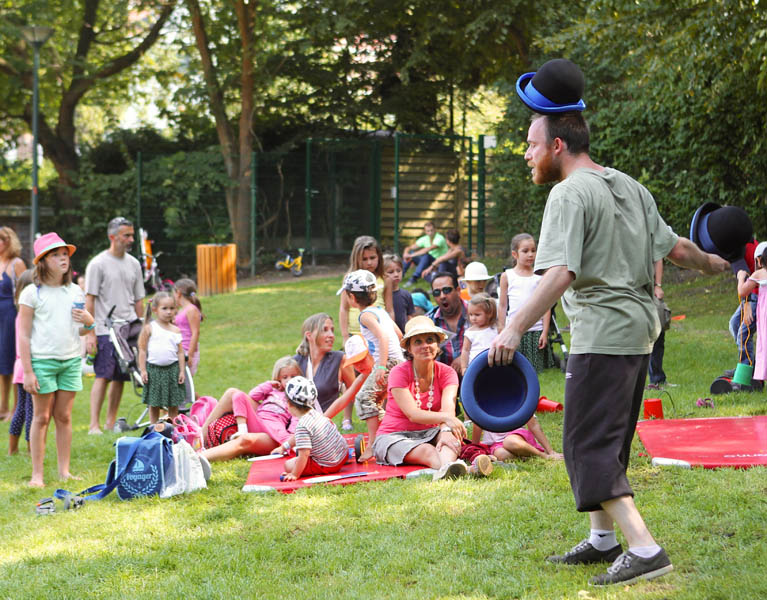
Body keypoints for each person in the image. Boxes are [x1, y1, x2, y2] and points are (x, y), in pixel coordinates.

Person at [490, 58, 729, 586]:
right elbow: (678, 248)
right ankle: (602, 539)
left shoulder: (567, 193)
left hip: (602, 332)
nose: (526, 155)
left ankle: (644, 548)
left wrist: (513, 327)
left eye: (531, 145)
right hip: (639, 330)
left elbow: (560, 273)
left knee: (586, 443)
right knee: (608, 436)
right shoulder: (629, 185)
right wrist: (718, 263)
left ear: (557, 145)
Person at [18, 233, 95, 487]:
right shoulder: (32, 293)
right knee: (41, 418)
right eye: (56, 255)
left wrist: (89, 323)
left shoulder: (75, 291)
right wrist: (28, 371)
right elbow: (23, 335)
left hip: (70, 361)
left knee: (64, 417)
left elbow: (80, 330)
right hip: (42, 363)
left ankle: (64, 472)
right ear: (42, 261)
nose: (63, 259)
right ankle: (37, 476)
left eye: (65, 254)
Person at [371, 316, 470, 480]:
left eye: (430, 340)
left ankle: (448, 470)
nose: (425, 346)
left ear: (437, 345)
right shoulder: (398, 372)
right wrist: (447, 420)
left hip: (432, 432)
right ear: (409, 349)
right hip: (394, 435)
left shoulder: (448, 373)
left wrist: (445, 431)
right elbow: (413, 414)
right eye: (418, 342)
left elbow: (448, 409)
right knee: (427, 450)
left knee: (450, 441)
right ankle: (462, 469)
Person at [85, 217, 145, 434]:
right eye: (126, 235)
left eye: (131, 235)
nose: (131, 239)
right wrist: (90, 334)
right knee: (103, 376)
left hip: (128, 328)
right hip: (105, 329)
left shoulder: (134, 264)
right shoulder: (98, 264)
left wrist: (143, 330)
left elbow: (139, 299)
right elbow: (89, 300)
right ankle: (94, 425)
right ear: (112, 237)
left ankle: (110, 423)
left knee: (121, 377)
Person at [338, 270, 404, 461]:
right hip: (397, 360)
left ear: (352, 297)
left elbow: (383, 337)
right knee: (376, 400)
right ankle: (385, 435)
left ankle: (374, 444)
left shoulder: (365, 316)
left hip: (387, 363)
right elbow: (399, 335)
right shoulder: (380, 311)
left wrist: (381, 366)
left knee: (364, 398)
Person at [200, 357, 306, 461]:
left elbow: (296, 419)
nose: (289, 380)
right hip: (260, 419)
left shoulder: (295, 398)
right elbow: (253, 395)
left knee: (246, 439)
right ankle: (200, 438)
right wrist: (269, 385)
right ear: (279, 379)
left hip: (274, 431)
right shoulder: (273, 390)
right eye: (285, 377)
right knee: (236, 395)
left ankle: (198, 458)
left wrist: (291, 438)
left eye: (293, 377)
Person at [339, 235, 393, 429]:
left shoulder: (384, 280)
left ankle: (384, 415)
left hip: (376, 336)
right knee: (351, 378)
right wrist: (345, 336)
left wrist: (391, 327)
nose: (369, 262)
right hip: (356, 334)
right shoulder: (349, 279)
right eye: (365, 259)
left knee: (379, 378)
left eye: (373, 258)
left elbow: (389, 308)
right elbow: (344, 308)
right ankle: (347, 418)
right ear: (357, 258)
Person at [497, 233, 552, 372]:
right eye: (525, 251)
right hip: (514, 329)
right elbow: (502, 305)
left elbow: (546, 306)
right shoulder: (507, 276)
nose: (530, 254)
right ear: (515, 254)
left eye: (533, 250)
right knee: (514, 368)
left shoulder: (539, 276)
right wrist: (501, 327)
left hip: (535, 330)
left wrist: (545, 332)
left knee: (534, 370)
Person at [292, 313, 364, 418]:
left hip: (322, 423)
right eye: (324, 330)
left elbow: (356, 395)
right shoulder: (295, 362)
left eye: (332, 330)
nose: (331, 335)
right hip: (294, 422)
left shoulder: (340, 359)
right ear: (309, 335)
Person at [280, 376, 349, 481]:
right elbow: (298, 438)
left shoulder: (302, 426)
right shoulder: (316, 414)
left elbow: (304, 454)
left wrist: (294, 474)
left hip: (329, 465)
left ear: (289, 404)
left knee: (288, 465)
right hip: (343, 455)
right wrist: (284, 447)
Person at [137, 292, 186, 425]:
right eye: (164, 308)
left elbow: (180, 353)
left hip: (172, 370)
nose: (169, 312)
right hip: (154, 371)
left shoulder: (176, 330)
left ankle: (173, 428)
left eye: (172, 308)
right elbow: (142, 350)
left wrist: (182, 371)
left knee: (173, 403)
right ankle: (153, 428)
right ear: (155, 310)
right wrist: (143, 370)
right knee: (154, 403)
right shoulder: (149, 328)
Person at [0, 226, 26, 421]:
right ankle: (2, 407)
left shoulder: (17, 263)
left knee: (11, 361)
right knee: (1, 363)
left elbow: (26, 292)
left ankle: (15, 409)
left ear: (7, 242)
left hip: (10, 315)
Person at [8, 269, 35, 455]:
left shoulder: (19, 314)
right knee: (31, 411)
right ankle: (30, 449)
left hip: (20, 366)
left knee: (21, 409)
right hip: (28, 365)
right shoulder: (27, 315)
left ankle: (13, 449)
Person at [737, 242, 767, 382]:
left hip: (765, 314)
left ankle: (754, 372)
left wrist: (740, 277)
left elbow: (742, 291)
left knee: (764, 343)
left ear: (759, 260)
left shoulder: (760, 273)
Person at [472, 416, 563, 461]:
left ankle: (542, 455)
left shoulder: (518, 398)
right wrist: (474, 450)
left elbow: (534, 425)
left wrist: (550, 451)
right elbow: (477, 425)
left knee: (509, 441)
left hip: (517, 436)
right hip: (497, 444)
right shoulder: (484, 401)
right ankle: (525, 455)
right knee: (501, 454)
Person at [427, 273, 468, 372]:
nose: (442, 296)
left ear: (458, 291)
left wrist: (465, 357)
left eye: (447, 290)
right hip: (443, 377)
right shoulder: (429, 322)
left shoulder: (477, 312)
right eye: (437, 292)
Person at [647, 260, 672, 389]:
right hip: (629, 291)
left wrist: (657, 285)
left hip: (650, 290)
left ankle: (657, 379)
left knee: (658, 334)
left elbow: (658, 258)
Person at [459, 293, 498, 374]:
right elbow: (465, 350)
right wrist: (464, 367)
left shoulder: (495, 328)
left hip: (494, 365)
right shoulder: (470, 333)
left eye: (477, 315)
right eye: (471, 314)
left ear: (489, 313)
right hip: (475, 368)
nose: (473, 318)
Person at [402, 222, 449, 286]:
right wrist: (405, 253)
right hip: (428, 262)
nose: (430, 233)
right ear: (425, 231)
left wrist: (411, 255)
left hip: (438, 263)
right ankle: (400, 274)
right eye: (428, 231)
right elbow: (409, 247)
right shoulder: (424, 238)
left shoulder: (440, 238)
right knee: (411, 254)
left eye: (432, 230)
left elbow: (427, 249)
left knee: (425, 255)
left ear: (435, 229)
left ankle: (414, 277)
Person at [173, 278, 202, 376]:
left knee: (184, 382)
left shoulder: (192, 310)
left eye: (173, 294)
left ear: (178, 293)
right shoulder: (182, 310)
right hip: (180, 349)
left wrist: (190, 355)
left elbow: (195, 333)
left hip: (187, 350)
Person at [383, 253, 414, 333]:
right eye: (391, 272)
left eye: (399, 271)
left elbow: (409, 316)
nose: (396, 274)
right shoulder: (380, 296)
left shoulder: (406, 294)